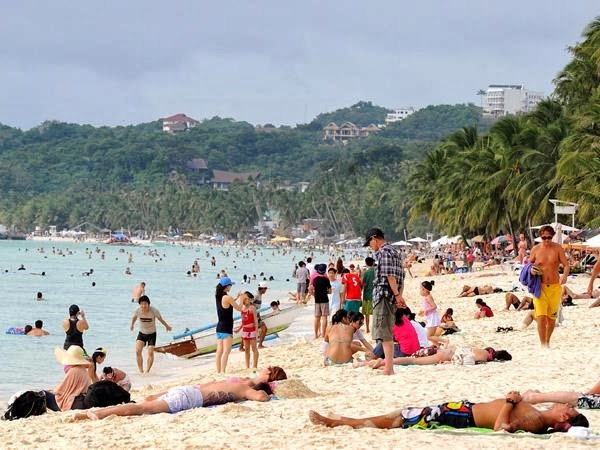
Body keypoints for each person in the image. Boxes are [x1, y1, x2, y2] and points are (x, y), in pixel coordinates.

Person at [309, 390, 588, 434]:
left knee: (400, 418)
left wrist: (509, 402)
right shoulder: (538, 415)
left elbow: (501, 429)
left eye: (568, 408)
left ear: (565, 417)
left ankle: (341, 422)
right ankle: (346, 421)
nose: (565, 405)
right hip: (462, 409)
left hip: (461, 417)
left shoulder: (537, 421)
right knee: (402, 414)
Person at [74, 379, 274, 420]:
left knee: (145, 405)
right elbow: (261, 398)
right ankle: (99, 413)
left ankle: (99, 411)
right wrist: (268, 393)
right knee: (142, 409)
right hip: (188, 398)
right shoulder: (243, 389)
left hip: (186, 390)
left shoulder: (233, 382)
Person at [364, 227, 405, 375]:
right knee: (387, 332)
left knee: (384, 333)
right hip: (391, 296)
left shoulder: (384, 252)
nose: (370, 246)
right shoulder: (395, 252)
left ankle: (389, 368)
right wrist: (399, 295)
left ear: (375, 239)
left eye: (369, 243)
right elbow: (401, 277)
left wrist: (397, 296)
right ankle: (389, 367)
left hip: (384, 296)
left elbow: (390, 276)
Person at [529, 225, 569, 347]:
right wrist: (531, 271)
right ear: (540, 236)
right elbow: (527, 266)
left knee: (551, 318)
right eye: (544, 237)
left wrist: (564, 276)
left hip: (555, 287)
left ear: (552, 237)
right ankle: (542, 344)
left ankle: (547, 341)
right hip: (539, 287)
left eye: (549, 238)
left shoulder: (558, 249)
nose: (546, 240)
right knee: (541, 317)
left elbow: (566, 265)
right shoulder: (535, 249)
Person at [390, 336, 512, 366]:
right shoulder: (484, 358)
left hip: (449, 350)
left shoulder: (485, 351)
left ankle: (387, 361)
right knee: (414, 361)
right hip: (447, 355)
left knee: (414, 358)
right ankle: (386, 362)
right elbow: (468, 359)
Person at [130, 295, 172, 373]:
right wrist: (132, 325)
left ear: (149, 304)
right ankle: (141, 371)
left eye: (145, 304)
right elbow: (134, 318)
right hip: (142, 333)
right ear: (140, 304)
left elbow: (160, 319)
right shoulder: (138, 310)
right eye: (142, 304)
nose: (143, 306)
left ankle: (147, 371)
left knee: (150, 352)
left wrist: (167, 326)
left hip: (152, 334)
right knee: (137, 351)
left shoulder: (154, 311)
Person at [50, 345, 92, 411]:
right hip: (82, 401)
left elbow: (60, 389)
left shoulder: (74, 370)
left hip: (75, 403)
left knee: (43, 395)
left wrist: (51, 392)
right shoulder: (83, 370)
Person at [215, 277, 242, 374]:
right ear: (227, 286)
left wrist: (237, 297)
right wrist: (242, 299)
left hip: (219, 327)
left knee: (219, 351)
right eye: (231, 285)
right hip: (227, 327)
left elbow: (229, 302)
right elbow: (239, 308)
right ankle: (223, 371)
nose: (231, 286)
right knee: (226, 351)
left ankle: (218, 371)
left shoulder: (219, 296)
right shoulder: (228, 297)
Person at [234, 292, 259, 369]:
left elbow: (255, 320)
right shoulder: (242, 308)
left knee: (254, 348)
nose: (244, 301)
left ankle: (255, 366)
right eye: (243, 300)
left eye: (245, 299)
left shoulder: (252, 308)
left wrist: (256, 331)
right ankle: (247, 366)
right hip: (245, 331)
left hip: (252, 331)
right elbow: (243, 321)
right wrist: (239, 329)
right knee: (247, 349)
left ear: (249, 300)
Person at [309, 264, 331, 339]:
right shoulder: (326, 279)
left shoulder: (315, 279)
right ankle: (323, 334)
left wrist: (313, 294)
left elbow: (310, 289)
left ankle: (315, 334)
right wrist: (326, 292)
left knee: (317, 317)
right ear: (325, 271)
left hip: (317, 299)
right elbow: (330, 291)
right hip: (324, 299)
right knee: (324, 317)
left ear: (318, 271)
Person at [361, 257, 375, 333]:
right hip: (376, 294)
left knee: (367, 313)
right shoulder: (376, 271)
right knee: (375, 312)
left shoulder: (366, 272)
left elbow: (364, 284)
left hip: (367, 294)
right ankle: (374, 327)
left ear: (366, 263)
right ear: (373, 263)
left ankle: (367, 328)